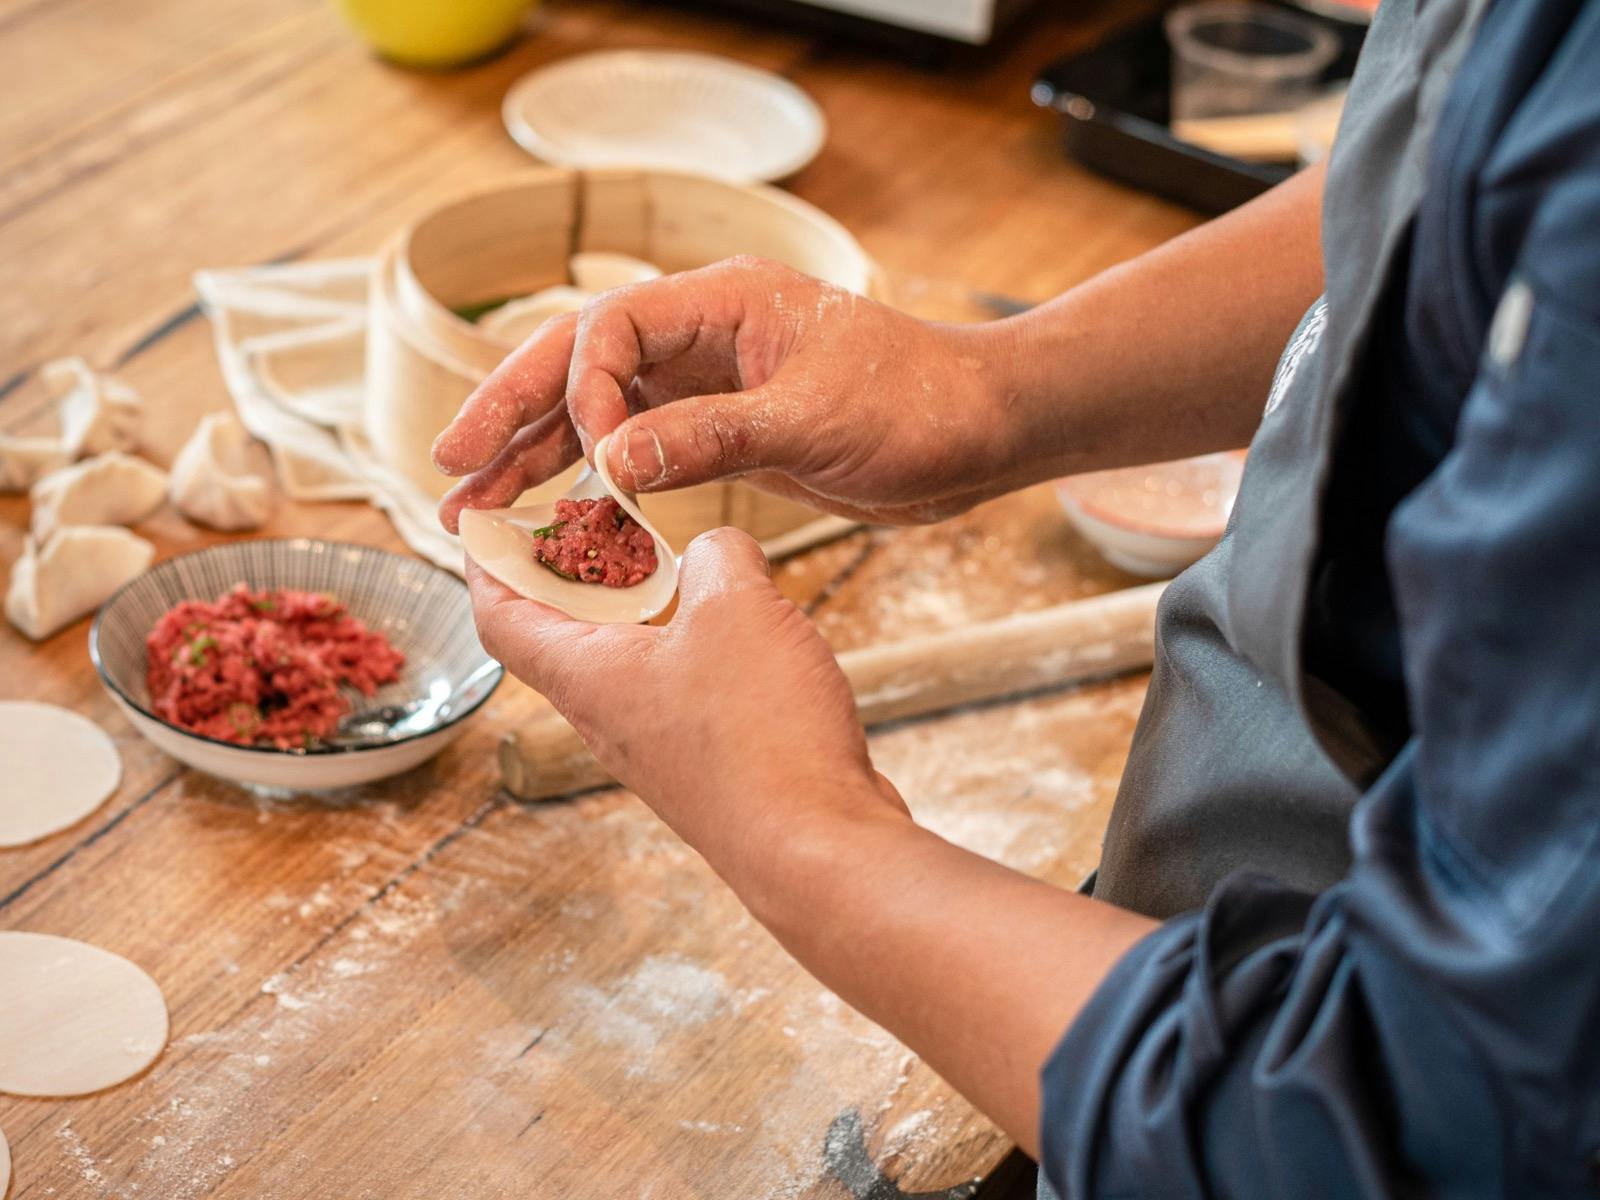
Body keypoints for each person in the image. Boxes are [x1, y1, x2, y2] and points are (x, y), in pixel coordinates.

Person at [433, 0, 1600, 1193]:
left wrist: (800, 832)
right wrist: (989, 389)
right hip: (1155, 972)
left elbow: (1372, 1134)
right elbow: (1436, 185)